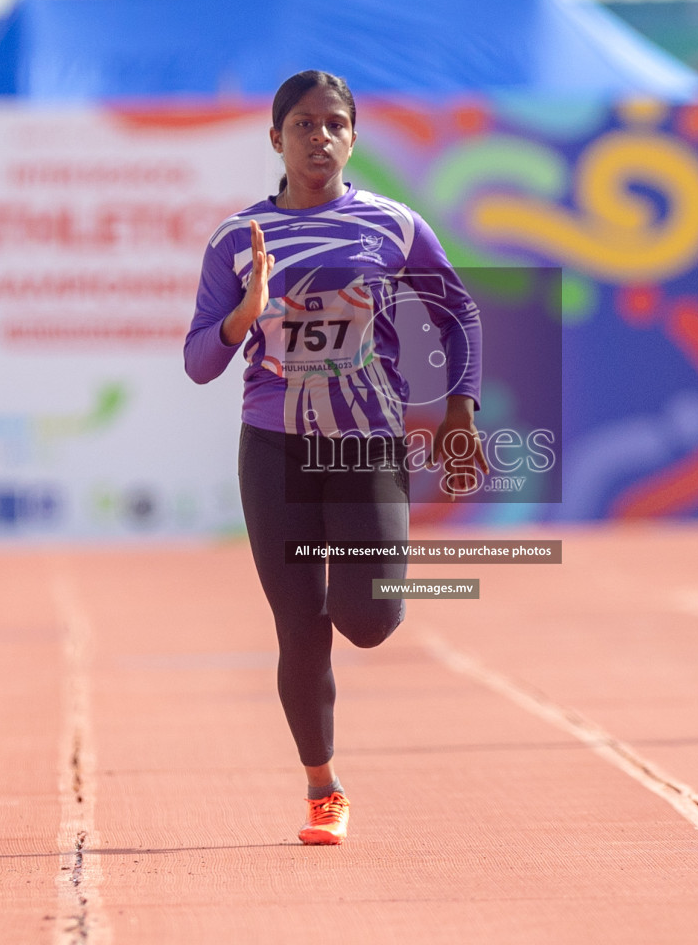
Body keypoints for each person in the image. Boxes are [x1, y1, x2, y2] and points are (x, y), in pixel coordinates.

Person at [185, 70, 487, 844]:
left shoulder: (393, 226)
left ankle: (371, 589)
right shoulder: (236, 240)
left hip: (366, 449)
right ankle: (322, 788)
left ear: (352, 136)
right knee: (298, 625)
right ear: (275, 137)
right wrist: (239, 319)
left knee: (365, 620)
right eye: (302, 124)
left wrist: (459, 408)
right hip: (274, 448)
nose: (318, 137)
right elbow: (196, 362)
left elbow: (458, 314)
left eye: (333, 124)